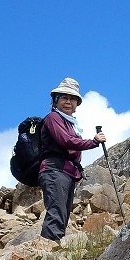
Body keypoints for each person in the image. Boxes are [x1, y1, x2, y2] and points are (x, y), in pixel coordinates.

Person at [39, 78, 106, 241]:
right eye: (64, 98)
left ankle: (52, 249)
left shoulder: (70, 124)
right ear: (56, 100)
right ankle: (46, 251)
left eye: (72, 99)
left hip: (65, 173)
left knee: (62, 213)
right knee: (57, 211)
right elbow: (65, 141)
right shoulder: (53, 118)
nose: (68, 102)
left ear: (76, 104)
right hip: (54, 171)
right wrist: (93, 142)